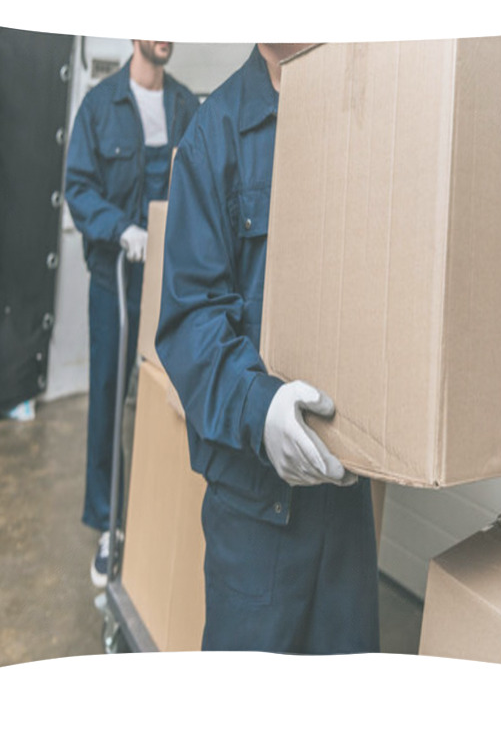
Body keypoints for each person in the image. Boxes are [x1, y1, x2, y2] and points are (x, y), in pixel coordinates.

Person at [156, 44, 380, 653]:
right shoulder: (215, 134)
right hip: (255, 513)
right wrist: (263, 409)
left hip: (347, 497)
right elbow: (189, 321)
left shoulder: (366, 113)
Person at [65, 40, 198, 587]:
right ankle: (107, 522)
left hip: (171, 281)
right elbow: (78, 186)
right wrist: (121, 229)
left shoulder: (188, 107)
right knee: (108, 395)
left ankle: (152, 511)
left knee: (166, 398)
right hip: (116, 279)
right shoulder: (99, 107)